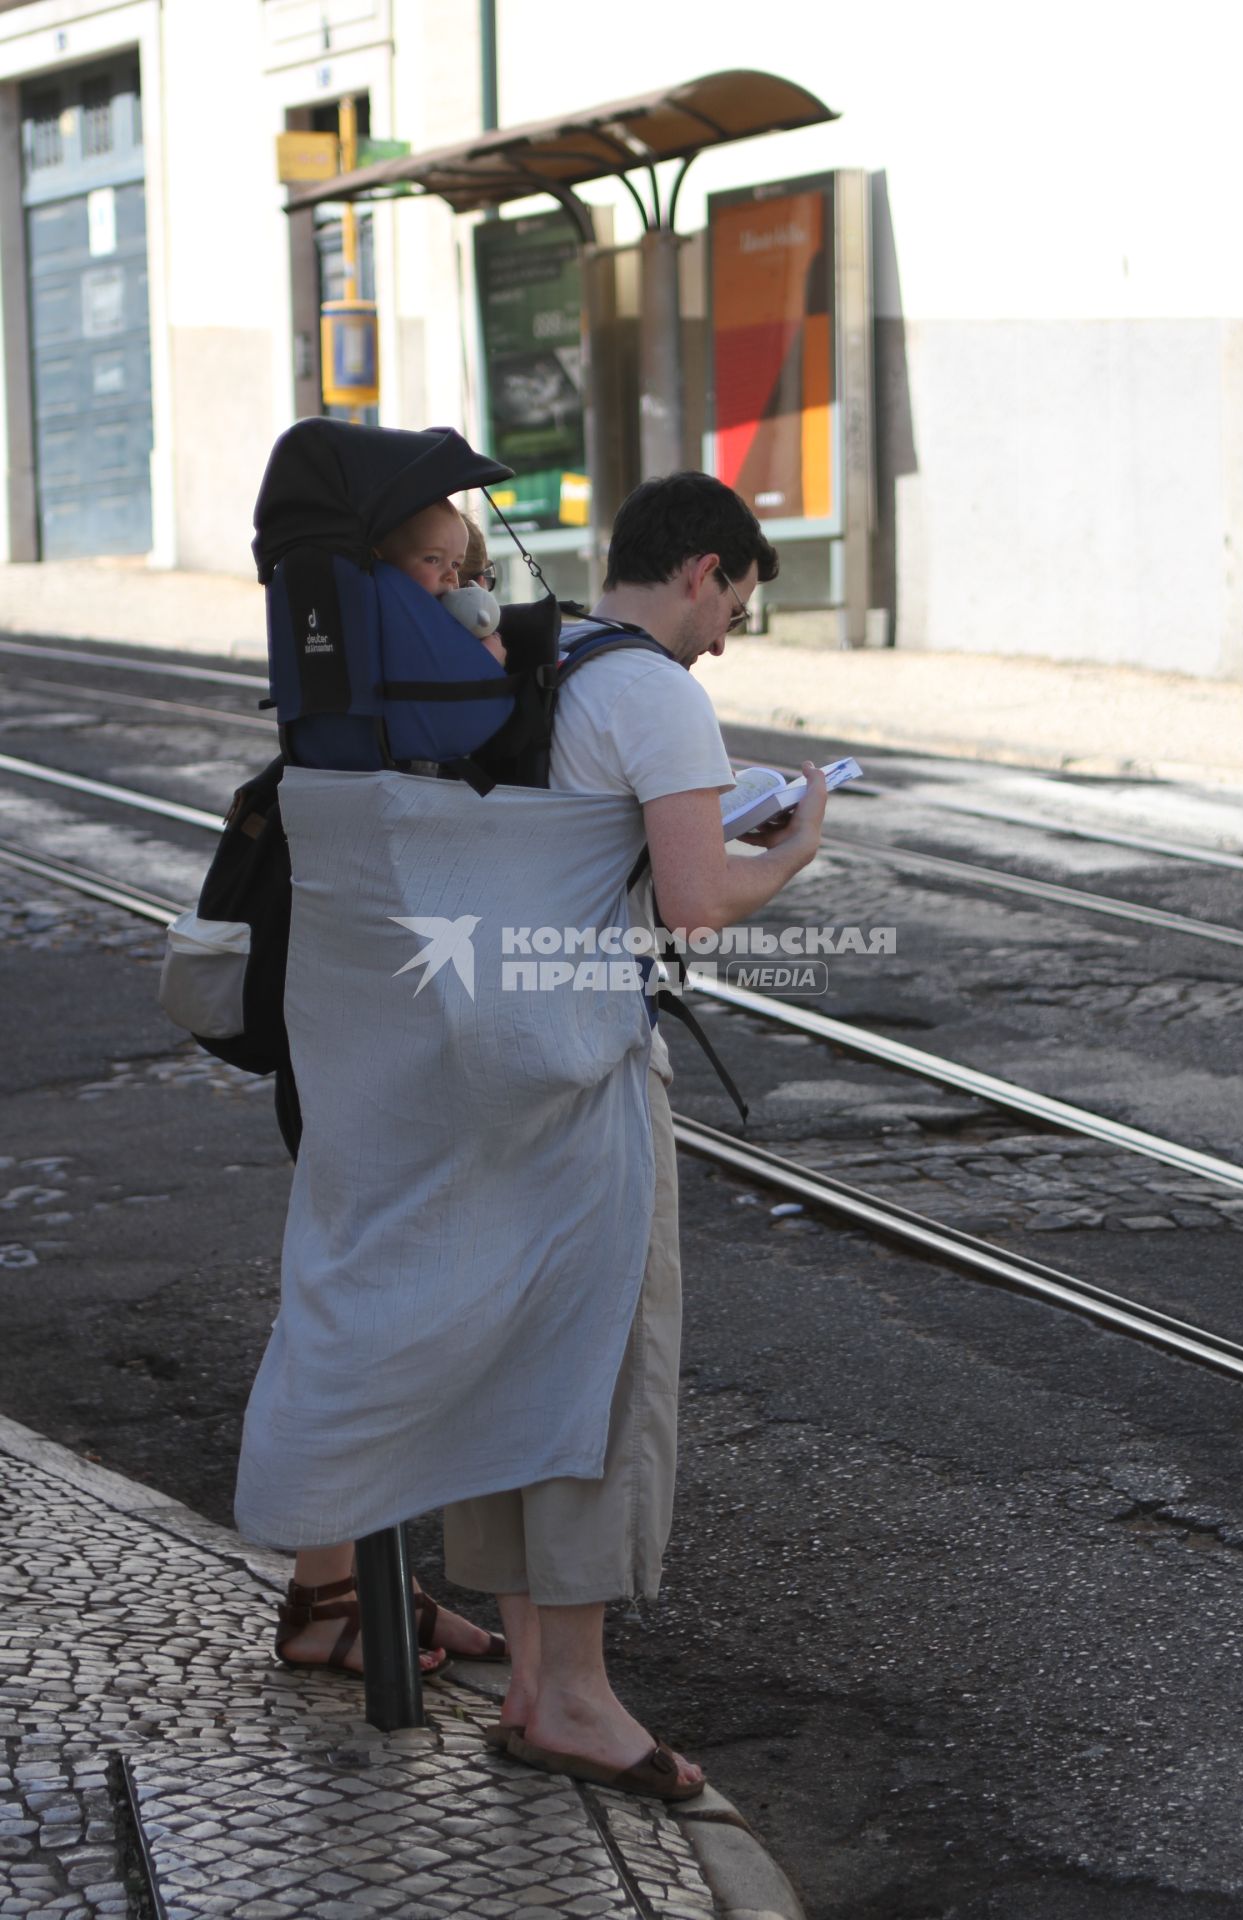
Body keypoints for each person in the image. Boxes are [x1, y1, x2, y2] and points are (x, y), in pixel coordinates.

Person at [440, 472, 828, 1798]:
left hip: (477, 1058)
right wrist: (798, 845)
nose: (727, 637)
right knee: (607, 1361)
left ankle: (539, 1682)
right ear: (705, 570)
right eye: (736, 607)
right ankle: (584, 1698)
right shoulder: (659, 693)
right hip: (587, 1068)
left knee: (515, 1356)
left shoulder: (520, 656)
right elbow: (696, 903)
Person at [274, 487, 511, 1679]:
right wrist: (481, 644)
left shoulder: (346, 658)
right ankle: (336, 1599)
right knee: (366, 1308)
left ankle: (346, 1590)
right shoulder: (389, 660)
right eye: (434, 565)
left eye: (462, 567)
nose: (452, 588)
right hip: (366, 1047)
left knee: (352, 1297)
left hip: (340, 1036)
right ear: (374, 564)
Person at [377, 498, 504, 662]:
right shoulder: (397, 626)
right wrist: (485, 661)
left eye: (455, 564)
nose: (451, 575)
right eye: (432, 559)